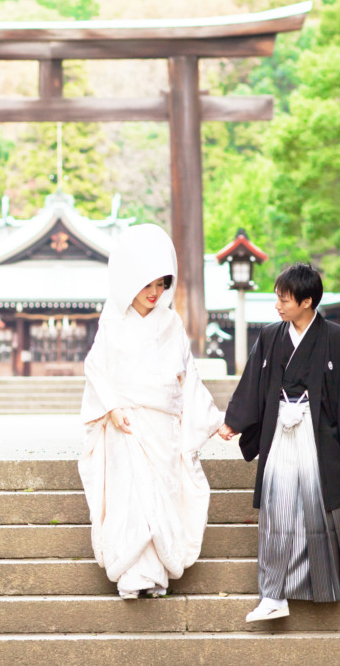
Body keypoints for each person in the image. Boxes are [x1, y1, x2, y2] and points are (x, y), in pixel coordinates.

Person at [217, 263, 340, 621]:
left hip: (320, 435)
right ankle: (273, 595)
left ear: (307, 300)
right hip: (280, 429)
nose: (278, 305)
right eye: (278, 298)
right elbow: (254, 382)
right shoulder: (269, 336)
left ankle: (324, 586)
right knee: (277, 507)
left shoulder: (335, 337)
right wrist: (234, 421)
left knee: (318, 506)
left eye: (285, 299)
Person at [79, 224, 225, 600]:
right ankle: (131, 573)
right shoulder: (113, 319)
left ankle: (156, 572)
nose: (155, 293)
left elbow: (186, 375)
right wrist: (111, 408)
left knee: (160, 492)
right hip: (125, 422)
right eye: (148, 285)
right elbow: (96, 367)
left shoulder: (170, 321)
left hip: (161, 423)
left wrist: (213, 419)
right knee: (130, 494)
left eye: (161, 285)